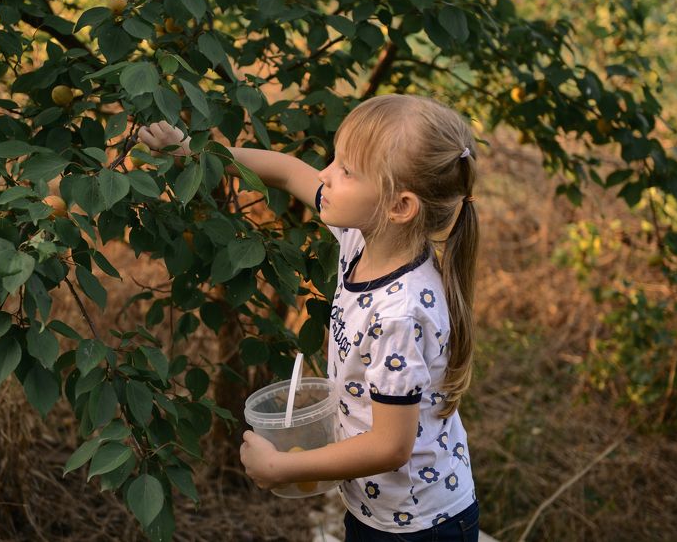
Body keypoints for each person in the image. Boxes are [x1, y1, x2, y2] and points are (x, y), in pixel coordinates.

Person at [138, 94, 480, 541]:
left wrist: (284, 466)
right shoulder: (363, 238)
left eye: (346, 170)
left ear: (399, 207)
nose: (325, 174)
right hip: (378, 509)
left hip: (420, 526)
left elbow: (391, 447)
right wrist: (191, 151)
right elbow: (285, 170)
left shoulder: (400, 311)